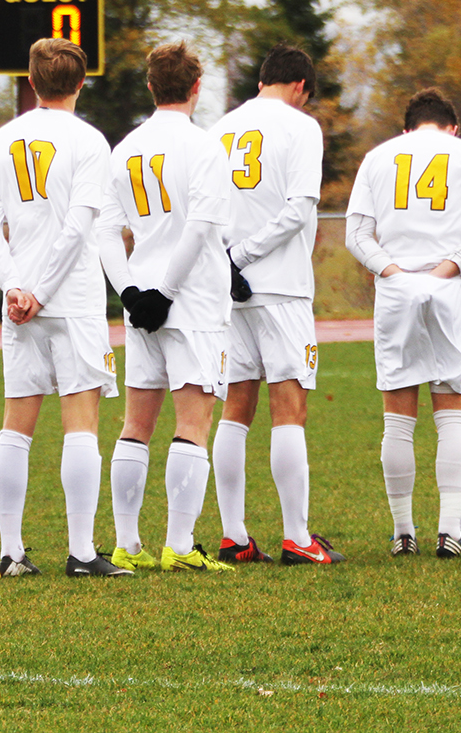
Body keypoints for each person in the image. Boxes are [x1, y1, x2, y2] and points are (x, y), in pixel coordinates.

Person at [0, 37, 126, 578]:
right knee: (81, 422)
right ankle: (82, 552)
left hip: (19, 302)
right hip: (73, 298)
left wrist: (14, 286)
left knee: (16, 424)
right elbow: (78, 226)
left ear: (32, 82)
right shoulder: (89, 141)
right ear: (81, 83)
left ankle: (12, 552)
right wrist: (40, 291)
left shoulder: (0, 141)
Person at [95, 40, 235, 573]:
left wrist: (130, 292)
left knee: (136, 423)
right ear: (197, 87)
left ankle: (128, 542)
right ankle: (179, 543)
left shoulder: (125, 147)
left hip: (142, 301)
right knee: (193, 423)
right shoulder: (205, 147)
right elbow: (201, 229)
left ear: (151, 86)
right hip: (191, 300)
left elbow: (107, 231)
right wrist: (166, 295)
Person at [345, 88, 461, 557]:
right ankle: (450, 529)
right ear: (452, 126)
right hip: (448, 286)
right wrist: (446, 269)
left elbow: (356, 234)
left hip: (396, 289)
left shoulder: (378, 156)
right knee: (452, 412)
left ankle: (403, 532)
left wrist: (393, 272)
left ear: (407, 127)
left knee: (398, 417)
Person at [207, 43, 334, 565]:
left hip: (226, 287)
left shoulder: (220, 128)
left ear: (263, 79)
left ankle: (234, 534)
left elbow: (207, 209)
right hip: (278, 285)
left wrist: (225, 261)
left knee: (235, 408)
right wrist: (245, 254)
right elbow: (300, 207)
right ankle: (297, 537)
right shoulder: (301, 127)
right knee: (290, 407)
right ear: (301, 87)